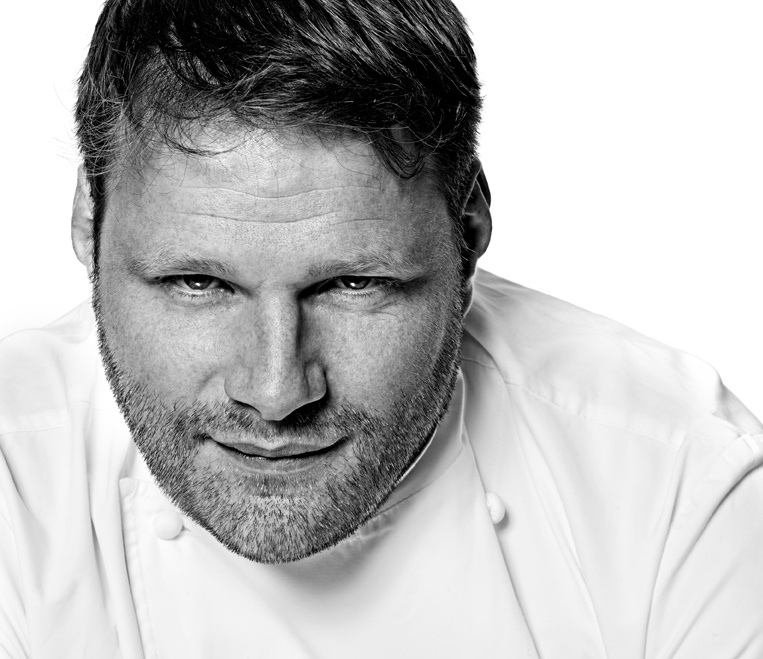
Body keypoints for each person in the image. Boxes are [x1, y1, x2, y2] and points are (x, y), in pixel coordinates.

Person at [1, 0, 761, 657]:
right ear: (89, 224)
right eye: (197, 283)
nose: (277, 392)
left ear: (467, 231)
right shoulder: (15, 475)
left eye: (352, 284)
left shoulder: (676, 485)